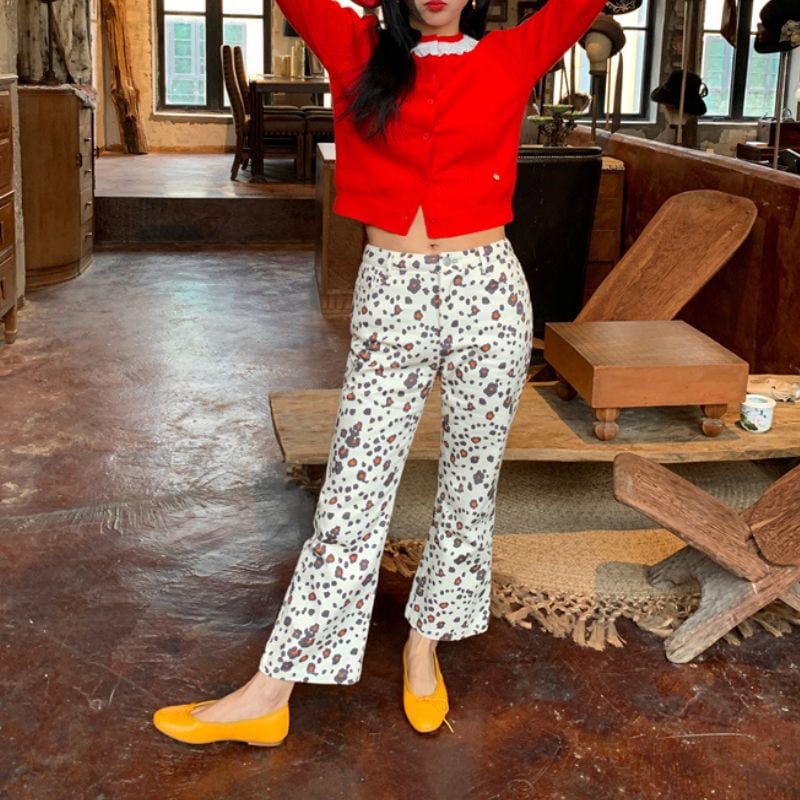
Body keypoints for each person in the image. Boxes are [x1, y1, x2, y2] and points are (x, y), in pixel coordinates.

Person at [153, 0, 607, 746]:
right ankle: (271, 692)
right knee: (351, 495)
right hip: (392, 292)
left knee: (470, 484)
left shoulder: (509, 56)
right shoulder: (356, 46)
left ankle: (424, 647)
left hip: (489, 294)